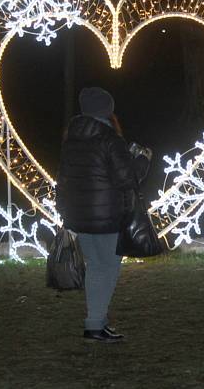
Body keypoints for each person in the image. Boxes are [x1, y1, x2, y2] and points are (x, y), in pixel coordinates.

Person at [56, 87, 150, 344]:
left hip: (78, 215)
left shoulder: (71, 139)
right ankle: (95, 324)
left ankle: (98, 321)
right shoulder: (110, 139)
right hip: (107, 216)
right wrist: (141, 160)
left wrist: (64, 211)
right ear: (108, 111)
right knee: (105, 269)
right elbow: (127, 179)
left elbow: (62, 179)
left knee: (97, 267)